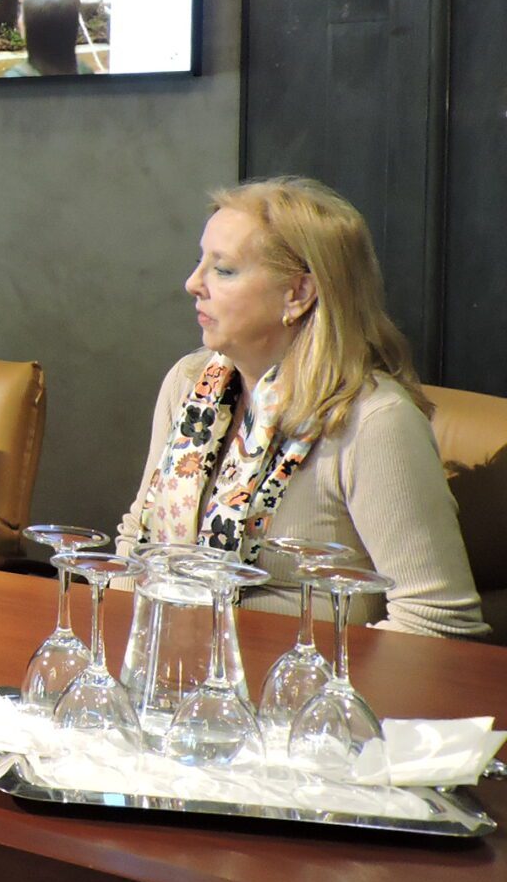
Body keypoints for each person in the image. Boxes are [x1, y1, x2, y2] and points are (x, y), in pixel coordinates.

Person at [115, 178, 486, 638]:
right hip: (174, 670)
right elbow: (139, 541)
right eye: (200, 263)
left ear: (299, 294)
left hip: (311, 689)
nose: (193, 284)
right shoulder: (190, 383)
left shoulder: (373, 422)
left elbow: (437, 620)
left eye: (224, 270)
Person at [3, 0, 89, 76]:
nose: (18, 20)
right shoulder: (84, 70)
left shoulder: (15, 78)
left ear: (29, 31)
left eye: (22, 14)